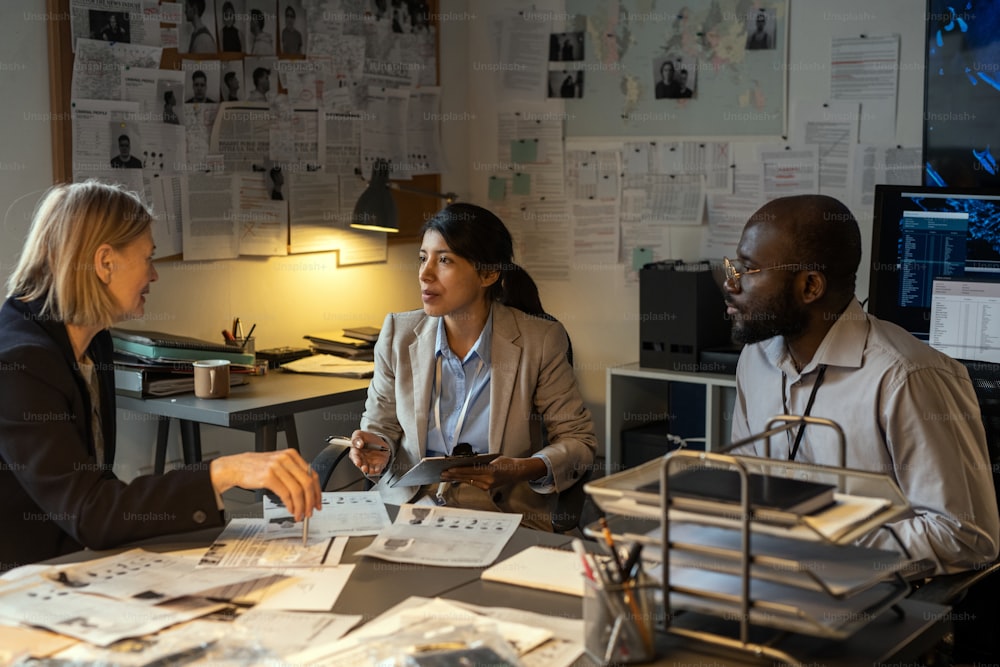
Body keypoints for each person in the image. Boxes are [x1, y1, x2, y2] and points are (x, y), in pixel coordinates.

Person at [0, 181, 322, 567]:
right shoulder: (21, 365)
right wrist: (224, 470)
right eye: (148, 258)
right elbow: (89, 512)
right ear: (105, 263)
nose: (154, 275)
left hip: (75, 564)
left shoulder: (94, 338)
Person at [724, 194, 999, 574]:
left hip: (882, 597)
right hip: (781, 581)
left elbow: (965, 536)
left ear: (809, 287)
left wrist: (825, 545)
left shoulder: (906, 376)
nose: (731, 284)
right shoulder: (756, 360)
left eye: (748, 270)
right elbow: (746, 485)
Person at [348, 204, 597, 531]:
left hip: (500, 511)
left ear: (488, 274)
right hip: (409, 507)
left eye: (445, 260)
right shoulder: (398, 334)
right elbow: (381, 425)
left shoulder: (540, 340)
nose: (425, 273)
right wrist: (376, 448)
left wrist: (522, 469)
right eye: (423, 258)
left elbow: (579, 442)